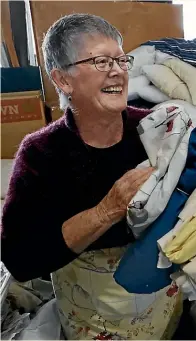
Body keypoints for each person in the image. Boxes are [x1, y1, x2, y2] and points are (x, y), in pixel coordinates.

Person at [1, 14, 182, 340]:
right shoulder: (40, 154)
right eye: (100, 61)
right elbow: (20, 259)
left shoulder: (155, 129)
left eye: (120, 59)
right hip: (94, 315)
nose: (118, 70)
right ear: (63, 80)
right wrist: (106, 210)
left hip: (161, 299)